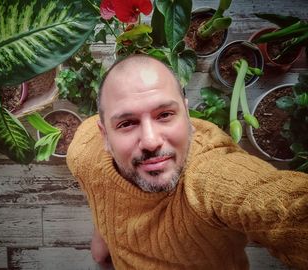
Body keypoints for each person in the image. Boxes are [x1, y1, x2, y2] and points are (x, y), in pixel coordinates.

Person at [66, 55, 308, 270]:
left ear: (187, 114)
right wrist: (104, 233)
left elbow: (281, 207)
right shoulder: (83, 151)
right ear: (104, 135)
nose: (151, 141)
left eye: (165, 115)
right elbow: (100, 190)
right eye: (127, 123)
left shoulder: (209, 176)